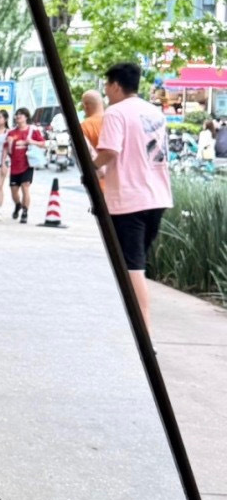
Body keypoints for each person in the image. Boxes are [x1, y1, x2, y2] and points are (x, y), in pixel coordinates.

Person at [91, 60, 173, 335]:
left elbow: (109, 151)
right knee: (135, 264)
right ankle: (136, 326)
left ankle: (144, 333)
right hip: (157, 197)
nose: (106, 90)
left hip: (129, 200)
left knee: (132, 267)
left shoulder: (116, 113)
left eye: (107, 85)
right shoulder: (154, 113)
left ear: (116, 85)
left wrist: (91, 166)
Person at [2, 106, 46, 222]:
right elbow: (6, 149)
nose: (18, 117)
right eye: (16, 115)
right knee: (14, 190)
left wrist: (32, 141)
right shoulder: (11, 132)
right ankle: (18, 205)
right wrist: (3, 162)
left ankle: (25, 212)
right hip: (14, 166)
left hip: (27, 165)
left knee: (25, 187)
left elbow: (43, 144)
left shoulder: (33, 130)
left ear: (26, 117)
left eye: (20, 115)